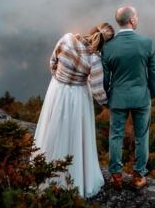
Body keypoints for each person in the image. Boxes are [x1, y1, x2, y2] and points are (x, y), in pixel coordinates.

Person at [33, 22, 114, 198]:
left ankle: (45, 170)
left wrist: (58, 78)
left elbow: (53, 61)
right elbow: (98, 91)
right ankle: (72, 178)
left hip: (57, 89)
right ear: (104, 44)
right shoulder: (95, 59)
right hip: (78, 96)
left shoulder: (67, 38)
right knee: (74, 133)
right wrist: (109, 105)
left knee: (52, 127)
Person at [102, 5, 155, 190]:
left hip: (118, 98)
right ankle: (138, 176)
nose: (137, 18)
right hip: (141, 97)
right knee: (141, 136)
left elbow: (105, 78)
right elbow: (153, 73)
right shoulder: (147, 43)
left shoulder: (108, 47)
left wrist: (107, 96)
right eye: (137, 16)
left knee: (116, 135)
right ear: (132, 20)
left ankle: (116, 176)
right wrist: (152, 92)